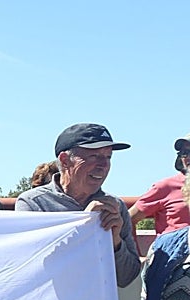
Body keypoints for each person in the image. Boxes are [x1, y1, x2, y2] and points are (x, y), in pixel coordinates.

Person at [15, 123, 140, 287]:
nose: (103, 165)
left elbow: (126, 278)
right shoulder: (33, 203)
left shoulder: (114, 206)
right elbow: (29, 270)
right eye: (94, 156)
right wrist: (83, 224)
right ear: (65, 160)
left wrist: (115, 243)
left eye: (108, 157)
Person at [128, 134, 190, 235]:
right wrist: (131, 249)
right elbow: (128, 219)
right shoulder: (165, 187)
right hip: (172, 248)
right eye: (185, 153)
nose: (188, 157)